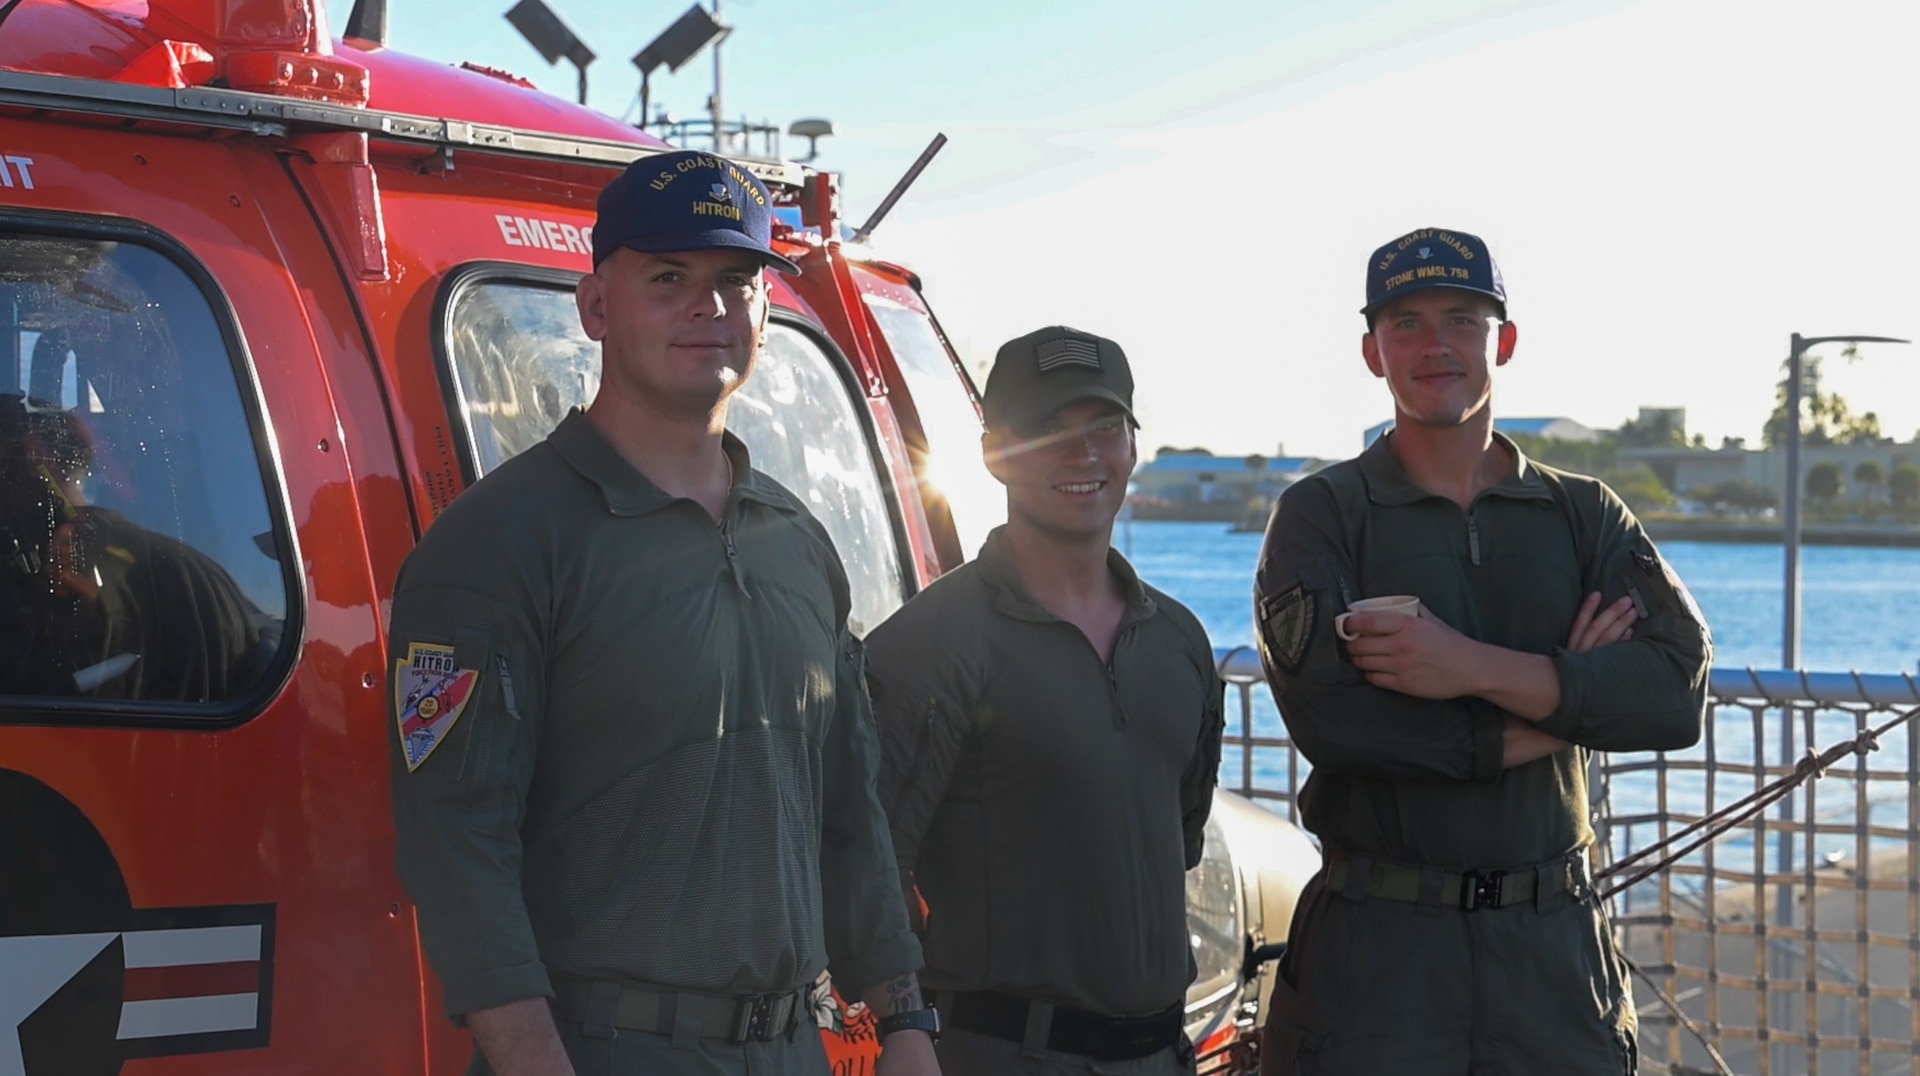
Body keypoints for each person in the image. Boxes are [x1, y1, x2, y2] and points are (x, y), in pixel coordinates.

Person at [385, 150, 940, 1076]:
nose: (709, 308)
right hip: (602, 1049)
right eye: (669, 277)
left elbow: (850, 811)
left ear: (764, 311)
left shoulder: (797, 544)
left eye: (735, 281)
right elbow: (456, 845)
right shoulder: (501, 541)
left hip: (793, 1047)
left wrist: (907, 1020)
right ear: (596, 308)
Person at [1251, 227, 1712, 1075]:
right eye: (1407, 323)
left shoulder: (1584, 513)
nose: (1435, 346)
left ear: (1502, 341)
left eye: (1462, 320)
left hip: (1554, 956)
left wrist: (1463, 666)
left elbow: (1674, 692)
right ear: (1371, 352)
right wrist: (1570, 705)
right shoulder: (1322, 513)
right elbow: (1340, 727)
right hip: (1375, 959)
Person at [865, 326, 1226, 1076]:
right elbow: (869, 864)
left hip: (1162, 1056)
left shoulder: (1182, 644)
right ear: (995, 452)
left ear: (1132, 444)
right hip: (1003, 1056)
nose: (1082, 454)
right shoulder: (928, 646)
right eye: (1047, 431)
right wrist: (902, 1027)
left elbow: (1178, 838)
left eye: (1103, 428)